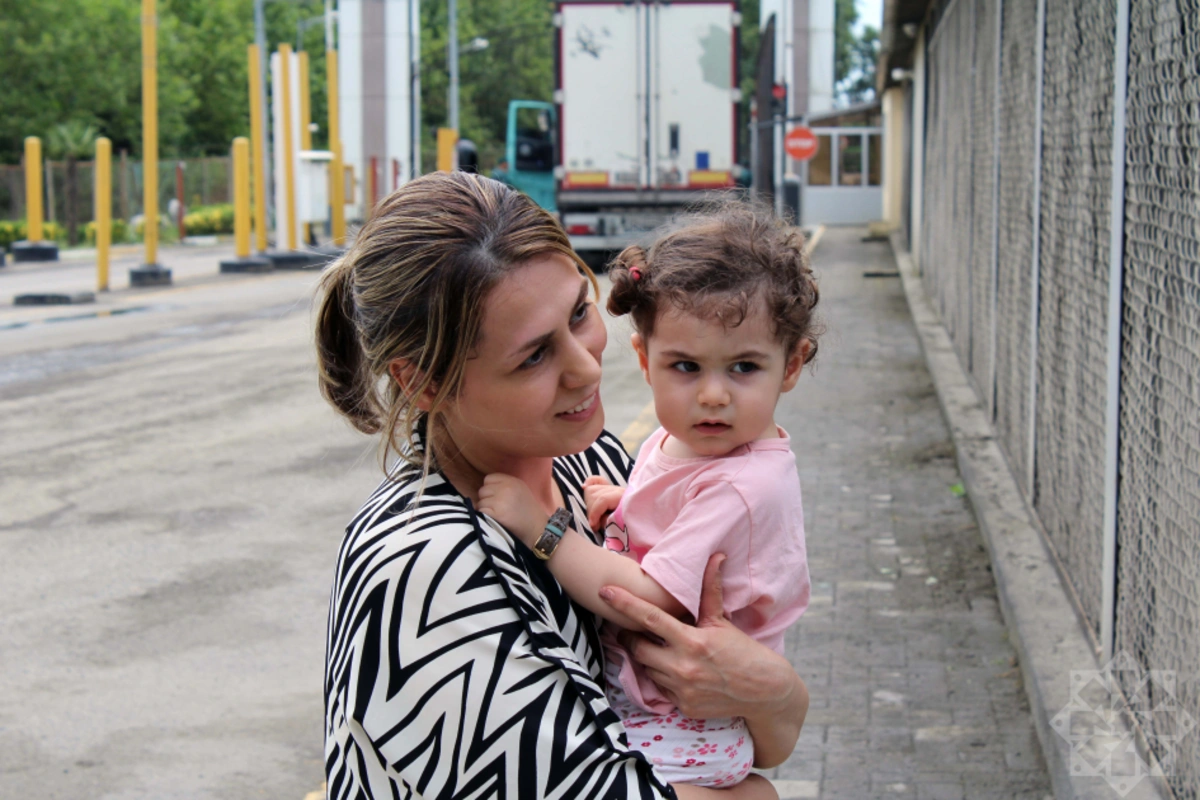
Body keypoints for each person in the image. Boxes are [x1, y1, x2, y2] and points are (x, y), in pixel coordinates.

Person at [316, 171, 809, 800]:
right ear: (424, 383)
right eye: (533, 356)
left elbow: (756, 736)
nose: (586, 368)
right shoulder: (423, 570)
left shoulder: (585, 462)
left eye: (579, 313)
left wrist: (775, 693)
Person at [478, 201, 819, 788]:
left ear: (792, 366)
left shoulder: (741, 482)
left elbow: (647, 597)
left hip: (682, 723)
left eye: (744, 367)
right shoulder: (691, 440)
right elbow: (677, 507)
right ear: (644, 358)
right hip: (680, 705)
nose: (713, 395)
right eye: (685, 366)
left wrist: (544, 529)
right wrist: (629, 502)